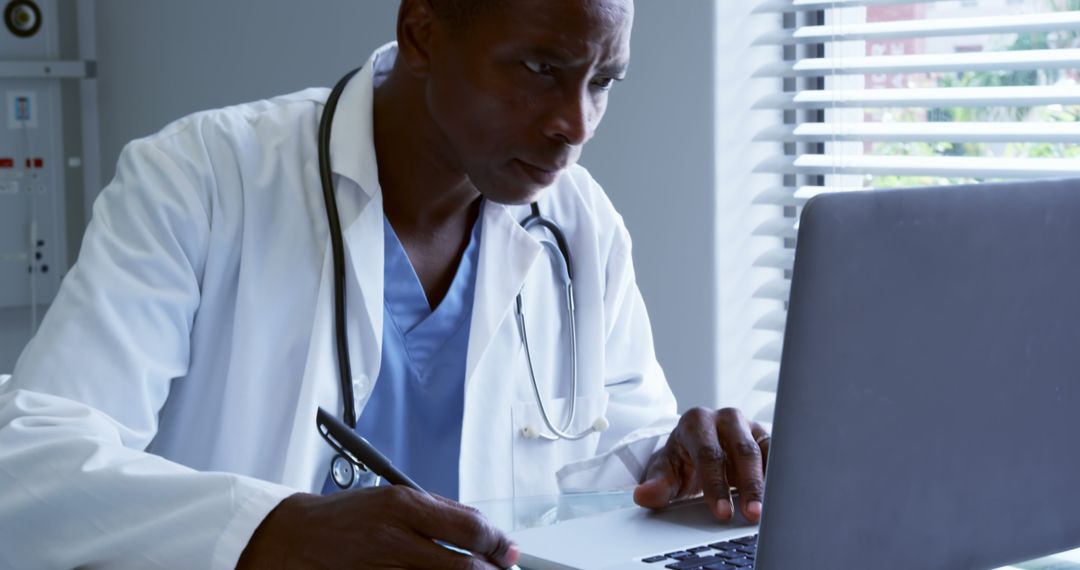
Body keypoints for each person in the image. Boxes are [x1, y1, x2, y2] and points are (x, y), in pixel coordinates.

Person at [0, 0, 771, 567]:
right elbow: (32, 465)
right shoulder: (203, 177)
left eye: (604, 81)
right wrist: (270, 530)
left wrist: (682, 467)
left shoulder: (578, 221)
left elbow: (611, 466)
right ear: (423, 32)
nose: (575, 122)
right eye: (541, 69)